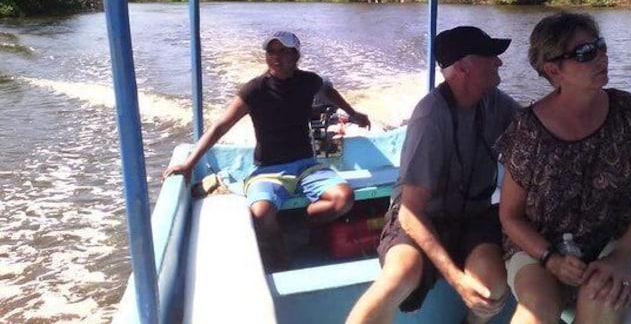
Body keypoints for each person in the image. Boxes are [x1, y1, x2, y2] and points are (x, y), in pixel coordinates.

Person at [496, 12, 631, 324]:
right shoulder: (528, 130)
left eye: (600, 46)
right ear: (553, 70)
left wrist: (621, 258)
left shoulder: (627, 113)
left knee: (600, 295)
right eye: (586, 53)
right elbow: (510, 216)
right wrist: (551, 259)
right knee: (536, 308)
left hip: (618, 243)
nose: (602, 57)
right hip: (541, 247)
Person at [347, 26, 520, 324]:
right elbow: (411, 212)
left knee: (490, 288)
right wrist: (455, 279)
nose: (499, 62)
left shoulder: (495, 102)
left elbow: (537, 127)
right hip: (420, 217)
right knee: (399, 277)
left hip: (474, 216)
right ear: (464, 68)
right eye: (490, 56)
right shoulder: (430, 117)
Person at [163, 30, 370, 268]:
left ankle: (290, 226)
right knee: (261, 213)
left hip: (306, 165)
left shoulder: (308, 81)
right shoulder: (254, 90)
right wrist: (189, 164)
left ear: (296, 55)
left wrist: (354, 114)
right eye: (271, 51)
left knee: (343, 199)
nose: (276, 57)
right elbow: (220, 126)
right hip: (268, 169)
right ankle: (282, 264)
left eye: (283, 51)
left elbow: (328, 91)